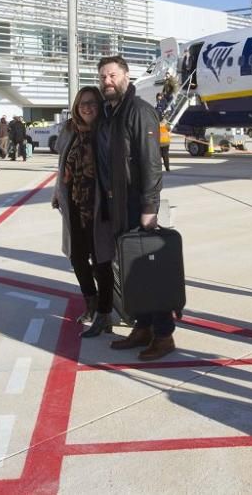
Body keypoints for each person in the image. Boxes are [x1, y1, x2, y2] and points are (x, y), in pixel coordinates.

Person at [94, 56, 171, 361]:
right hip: (118, 204)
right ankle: (143, 326)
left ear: (126, 76)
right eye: (102, 77)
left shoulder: (139, 111)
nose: (107, 81)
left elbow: (152, 162)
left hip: (137, 204)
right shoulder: (111, 114)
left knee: (149, 271)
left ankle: (164, 335)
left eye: (112, 75)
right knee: (130, 272)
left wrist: (149, 207)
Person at [51, 86, 113, 338]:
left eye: (92, 103)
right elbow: (62, 163)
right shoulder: (70, 130)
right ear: (76, 106)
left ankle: (105, 315)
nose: (87, 107)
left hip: (100, 204)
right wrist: (57, 191)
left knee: (102, 261)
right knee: (77, 257)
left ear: (100, 106)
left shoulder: (107, 130)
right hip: (75, 203)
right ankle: (91, 303)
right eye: (82, 103)